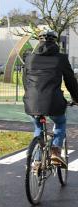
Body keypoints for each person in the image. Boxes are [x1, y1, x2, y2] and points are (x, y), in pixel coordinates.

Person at [23, 30, 78, 167]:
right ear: (55, 42)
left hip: (32, 101)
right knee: (60, 123)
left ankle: (36, 161)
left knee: (38, 128)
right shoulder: (61, 58)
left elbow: (26, 82)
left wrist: (30, 96)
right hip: (53, 102)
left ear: (39, 42)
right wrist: (76, 98)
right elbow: (71, 81)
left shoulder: (30, 58)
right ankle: (55, 152)